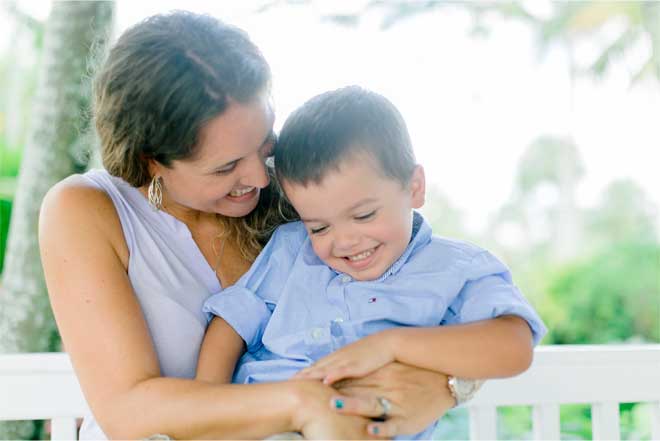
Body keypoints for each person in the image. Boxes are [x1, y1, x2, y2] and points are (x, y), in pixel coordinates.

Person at [38, 10, 538, 440]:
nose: (259, 177)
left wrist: (444, 386)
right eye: (226, 167)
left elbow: (423, 290)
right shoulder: (86, 210)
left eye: (265, 145)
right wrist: (302, 402)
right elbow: (128, 409)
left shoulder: (312, 202)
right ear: (152, 163)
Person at [198, 86, 547, 439]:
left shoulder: (455, 267)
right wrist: (206, 407)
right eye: (319, 227)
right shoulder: (292, 249)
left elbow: (515, 346)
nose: (345, 241)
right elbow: (234, 322)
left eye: (363, 215)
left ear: (414, 187)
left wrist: (391, 344)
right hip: (263, 421)